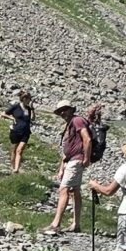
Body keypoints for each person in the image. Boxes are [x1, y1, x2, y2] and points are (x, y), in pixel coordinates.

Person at [45, 100, 86, 234]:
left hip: (76, 160)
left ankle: (56, 224)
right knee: (75, 191)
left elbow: (87, 139)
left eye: (65, 109)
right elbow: (66, 149)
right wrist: (62, 167)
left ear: (70, 109)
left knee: (64, 189)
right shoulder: (69, 124)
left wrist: (86, 158)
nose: (63, 113)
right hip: (71, 160)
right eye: (60, 111)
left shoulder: (77, 121)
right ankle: (76, 224)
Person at [4, 88, 34, 173]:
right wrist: (12, 118)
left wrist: (32, 109)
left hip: (26, 132)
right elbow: (3, 113)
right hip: (15, 131)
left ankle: (17, 168)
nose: (29, 100)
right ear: (23, 98)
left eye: (30, 99)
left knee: (20, 150)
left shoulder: (28, 109)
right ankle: (13, 166)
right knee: (13, 149)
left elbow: (32, 119)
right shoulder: (16, 107)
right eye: (28, 99)